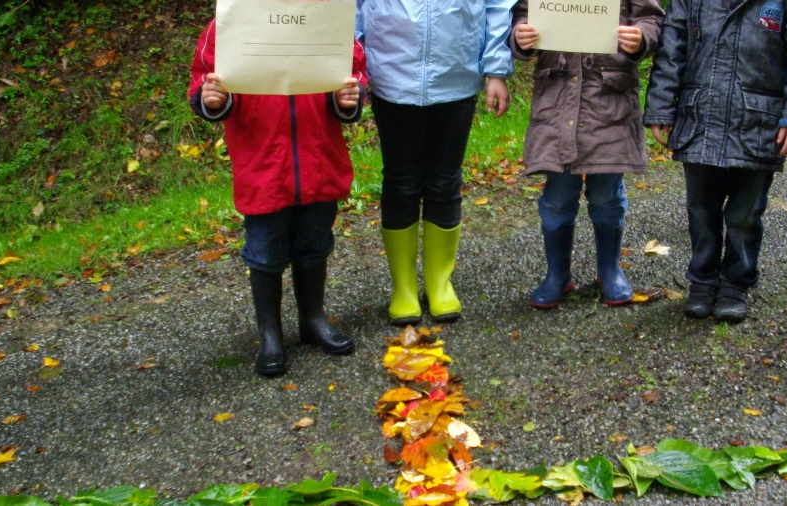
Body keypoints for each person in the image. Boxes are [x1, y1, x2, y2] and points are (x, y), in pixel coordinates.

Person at [187, 20, 368, 377]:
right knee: (265, 252)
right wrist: (211, 99)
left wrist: (348, 98)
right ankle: (270, 335)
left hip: (318, 155)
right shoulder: (231, 21)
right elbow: (205, 77)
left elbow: (352, 71)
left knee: (315, 243)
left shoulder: (325, 18)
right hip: (263, 161)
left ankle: (313, 319)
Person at [645, 0, 787, 322]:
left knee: (745, 214)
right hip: (700, 116)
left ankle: (735, 283)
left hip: (758, 120)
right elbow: (671, 51)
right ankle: (703, 280)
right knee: (700, 209)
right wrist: (660, 106)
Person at [357, 0, 515, 325]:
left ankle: (439, 283)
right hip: (392, 76)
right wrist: (353, 67)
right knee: (401, 182)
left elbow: (498, 6)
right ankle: (403, 287)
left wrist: (496, 69)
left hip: (456, 75)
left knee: (445, 180)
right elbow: (352, 9)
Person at [510, 0, 664, 309]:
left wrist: (640, 38)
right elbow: (522, 14)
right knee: (557, 198)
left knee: (607, 197)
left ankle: (609, 271)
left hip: (609, 102)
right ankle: (557, 275)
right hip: (556, 102)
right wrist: (520, 37)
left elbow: (652, 19)